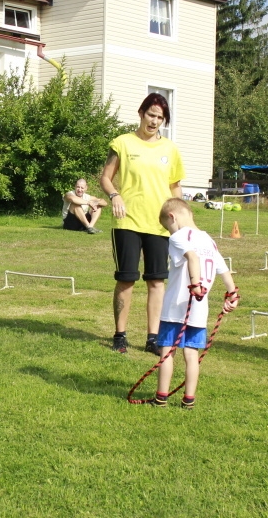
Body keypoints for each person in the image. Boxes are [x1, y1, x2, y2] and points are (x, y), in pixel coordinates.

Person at [99, 93, 184, 355]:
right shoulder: (123, 143)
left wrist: (180, 219)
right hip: (128, 221)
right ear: (141, 113)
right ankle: (120, 335)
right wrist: (115, 195)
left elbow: (175, 187)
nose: (155, 121)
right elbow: (105, 178)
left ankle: (153, 339)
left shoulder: (169, 149)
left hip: (159, 225)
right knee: (126, 280)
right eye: (151, 115)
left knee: (157, 281)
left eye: (160, 118)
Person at [149, 198, 240, 409]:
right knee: (191, 354)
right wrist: (233, 293)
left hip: (176, 307)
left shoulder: (179, 236)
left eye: (168, 227)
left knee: (167, 351)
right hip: (199, 311)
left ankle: (161, 398)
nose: (169, 232)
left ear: (173, 217)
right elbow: (223, 269)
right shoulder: (208, 239)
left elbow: (192, 258)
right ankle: (188, 400)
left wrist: (195, 285)